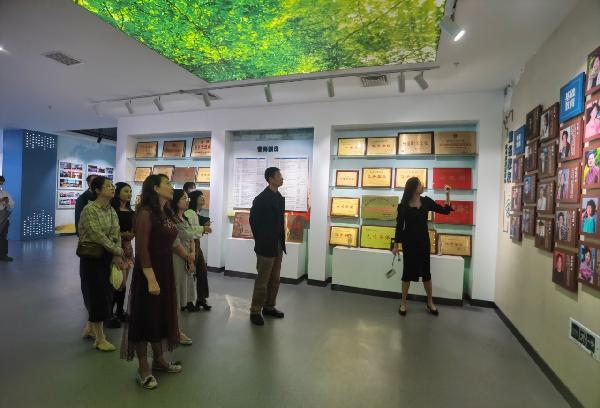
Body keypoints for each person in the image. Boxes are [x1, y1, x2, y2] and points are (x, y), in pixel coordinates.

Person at [122, 174, 182, 390]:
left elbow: (171, 241)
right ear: (156, 188)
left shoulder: (166, 212)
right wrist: (151, 279)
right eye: (167, 184)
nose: (171, 187)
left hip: (165, 270)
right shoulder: (146, 213)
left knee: (160, 316)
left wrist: (187, 255)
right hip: (149, 271)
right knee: (145, 319)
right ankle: (143, 368)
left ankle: (159, 360)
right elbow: (142, 249)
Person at [392, 177, 453, 316]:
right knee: (407, 273)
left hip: (423, 242)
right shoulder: (403, 206)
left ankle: (430, 302)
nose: (422, 185)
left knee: (426, 273)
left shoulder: (426, 201)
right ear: (414, 188)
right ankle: (403, 303)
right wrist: (395, 245)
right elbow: (399, 227)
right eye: (420, 184)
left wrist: (447, 194)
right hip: (409, 243)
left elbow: (445, 211)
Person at [78, 176, 124, 352]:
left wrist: (116, 252)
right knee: (96, 295)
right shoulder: (89, 210)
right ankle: (100, 338)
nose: (112, 188)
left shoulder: (111, 210)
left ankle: (90, 328)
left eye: (112, 186)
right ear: (97, 190)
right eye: (107, 186)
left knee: (106, 293)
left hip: (107, 256)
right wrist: (117, 250)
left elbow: (116, 233)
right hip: (92, 258)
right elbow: (97, 235)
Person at [248, 167, 286, 326]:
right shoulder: (261, 199)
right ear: (270, 179)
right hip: (265, 245)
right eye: (279, 176)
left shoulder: (279, 197)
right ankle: (255, 311)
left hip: (277, 244)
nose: (282, 178)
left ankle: (269, 306)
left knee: (275, 279)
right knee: (262, 280)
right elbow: (253, 221)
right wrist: (261, 239)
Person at [170, 189, 197, 345]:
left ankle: (175, 330)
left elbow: (191, 238)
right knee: (175, 295)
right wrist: (187, 256)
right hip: (176, 260)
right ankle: (175, 331)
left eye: (187, 198)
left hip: (186, 259)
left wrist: (192, 254)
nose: (187, 200)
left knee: (181, 294)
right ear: (175, 201)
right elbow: (174, 243)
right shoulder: (171, 219)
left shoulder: (185, 218)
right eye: (183, 198)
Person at [106, 182, 135, 329]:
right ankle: (108, 313)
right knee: (115, 281)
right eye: (126, 191)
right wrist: (123, 235)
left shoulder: (131, 211)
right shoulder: (111, 210)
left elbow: (133, 229)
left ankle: (120, 311)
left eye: (130, 191)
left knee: (123, 283)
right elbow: (110, 231)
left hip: (127, 250)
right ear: (118, 193)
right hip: (115, 249)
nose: (129, 194)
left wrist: (131, 234)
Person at [185, 190, 212, 311]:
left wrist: (203, 229)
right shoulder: (190, 212)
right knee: (191, 272)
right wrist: (203, 228)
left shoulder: (195, 212)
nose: (203, 198)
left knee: (202, 271)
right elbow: (188, 230)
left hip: (196, 244)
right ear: (194, 199)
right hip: (191, 244)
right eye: (200, 196)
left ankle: (201, 299)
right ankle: (188, 300)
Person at [0, 175, 15, 262]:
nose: (1, 185)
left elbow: (12, 204)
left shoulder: (5, 193)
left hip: (3, 219)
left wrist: (7, 202)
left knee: (3, 237)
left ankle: (3, 255)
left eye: (1, 183)